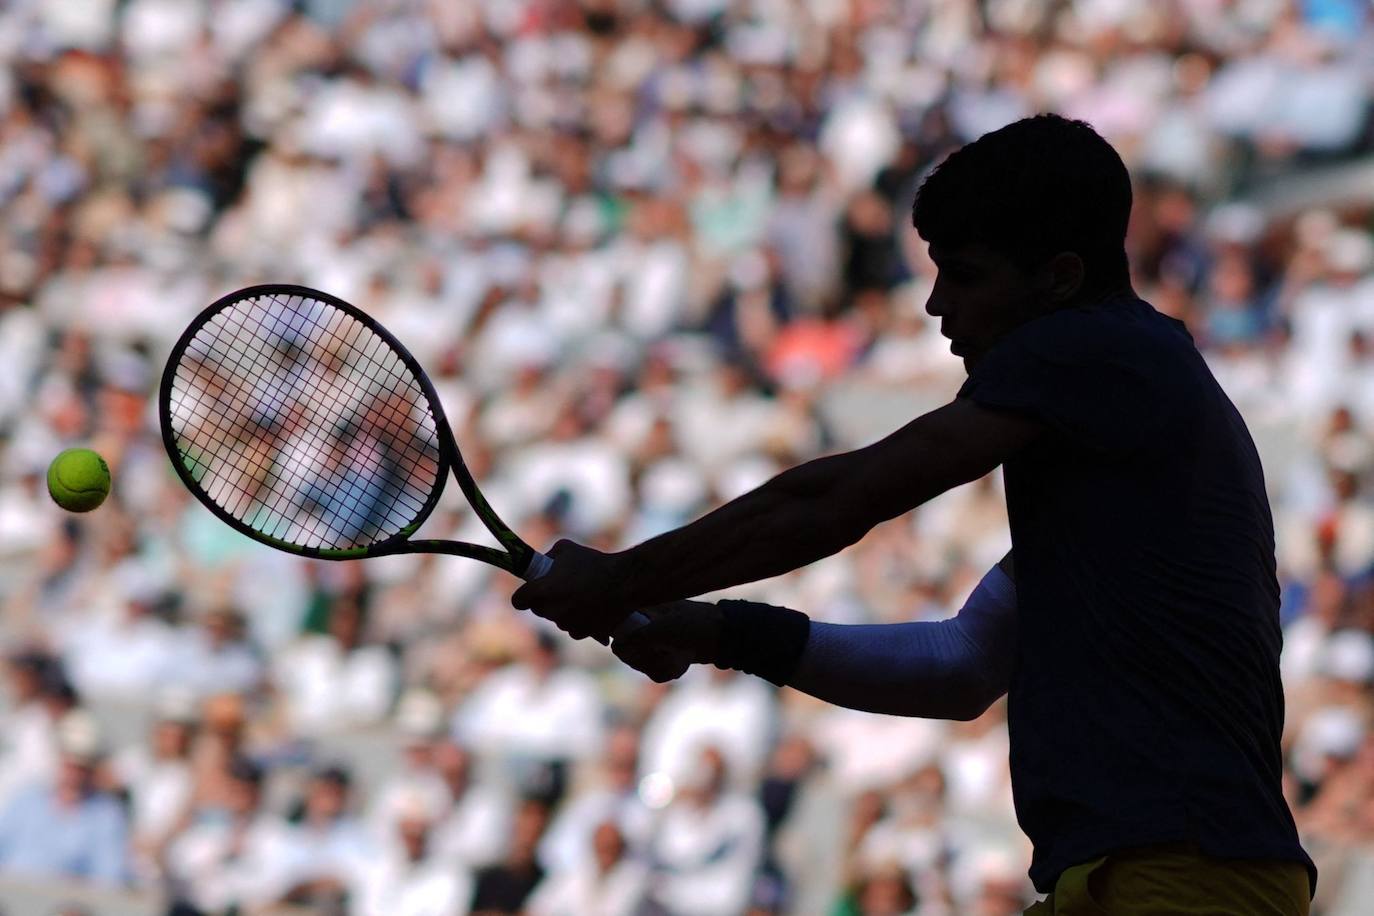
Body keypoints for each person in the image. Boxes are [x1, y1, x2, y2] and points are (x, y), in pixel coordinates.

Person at [513, 114, 1317, 914]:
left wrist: (622, 577)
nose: (936, 304)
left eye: (964, 276)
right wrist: (721, 633)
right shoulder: (1130, 433)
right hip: (1172, 873)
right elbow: (962, 663)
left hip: (1181, 877)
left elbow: (836, 500)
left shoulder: (1092, 348)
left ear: (1061, 280)